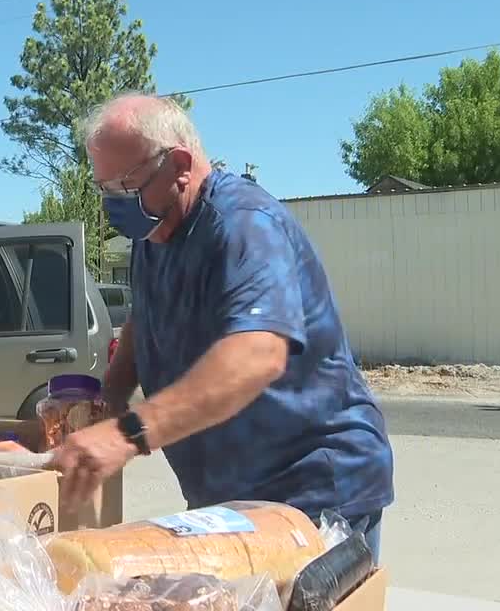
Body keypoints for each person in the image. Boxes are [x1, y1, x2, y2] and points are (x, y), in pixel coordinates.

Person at [48, 92, 394, 560]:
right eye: (105, 189)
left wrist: (128, 433)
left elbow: (257, 354)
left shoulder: (242, 225)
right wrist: (108, 398)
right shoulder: (153, 233)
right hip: (226, 495)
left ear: (180, 165)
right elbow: (143, 319)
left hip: (312, 492)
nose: (116, 204)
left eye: (126, 186)